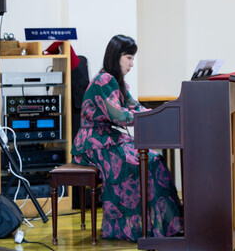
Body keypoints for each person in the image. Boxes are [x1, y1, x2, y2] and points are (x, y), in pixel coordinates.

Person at [71, 35, 183, 242]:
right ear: (116, 56)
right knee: (138, 165)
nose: (132, 63)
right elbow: (119, 116)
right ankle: (135, 228)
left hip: (108, 138)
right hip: (94, 143)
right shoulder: (104, 80)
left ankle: (164, 225)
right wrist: (149, 118)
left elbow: (135, 107)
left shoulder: (118, 82)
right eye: (129, 58)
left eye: (133, 58)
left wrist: (156, 115)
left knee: (154, 160)